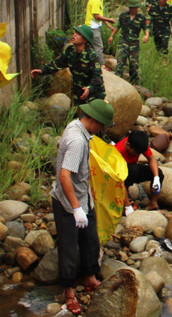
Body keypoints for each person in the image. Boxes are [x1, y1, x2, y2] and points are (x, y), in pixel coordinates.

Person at [51, 99, 113, 315]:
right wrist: (76, 208)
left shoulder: (77, 127)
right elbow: (64, 175)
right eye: (101, 125)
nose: (101, 129)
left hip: (83, 197)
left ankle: (90, 278)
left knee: (90, 240)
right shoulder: (77, 140)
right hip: (68, 202)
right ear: (94, 121)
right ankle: (69, 292)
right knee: (69, 247)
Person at [31, 25, 104, 105]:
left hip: (93, 94)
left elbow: (98, 77)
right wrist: (42, 71)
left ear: (85, 39)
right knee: (76, 111)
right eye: (75, 32)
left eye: (78, 34)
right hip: (79, 92)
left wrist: (89, 89)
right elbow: (57, 64)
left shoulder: (91, 55)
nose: (74, 34)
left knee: (91, 112)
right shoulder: (70, 51)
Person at [114, 129, 164, 212]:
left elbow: (151, 159)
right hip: (119, 177)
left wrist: (156, 178)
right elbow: (120, 181)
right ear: (128, 145)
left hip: (133, 171)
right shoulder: (118, 152)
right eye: (136, 153)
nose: (138, 155)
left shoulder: (139, 144)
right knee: (133, 169)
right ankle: (125, 199)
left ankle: (153, 203)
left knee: (158, 173)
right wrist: (127, 206)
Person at [109, 0, 149, 84]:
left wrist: (146, 35)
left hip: (134, 44)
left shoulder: (141, 18)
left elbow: (146, 28)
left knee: (134, 65)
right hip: (123, 42)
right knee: (120, 62)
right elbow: (117, 26)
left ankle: (134, 83)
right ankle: (117, 80)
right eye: (131, 7)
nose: (132, 9)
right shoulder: (123, 16)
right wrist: (111, 36)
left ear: (137, 8)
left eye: (134, 8)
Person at [85, 0, 114, 68]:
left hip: (95, 26)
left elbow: (100, 14)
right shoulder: (95, 0)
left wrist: (107, 24)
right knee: (99, 47)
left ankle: (92, 65)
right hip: (92, 27)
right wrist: (109, 20)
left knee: (91, 47)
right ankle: (101, 66)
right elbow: (96, 16)